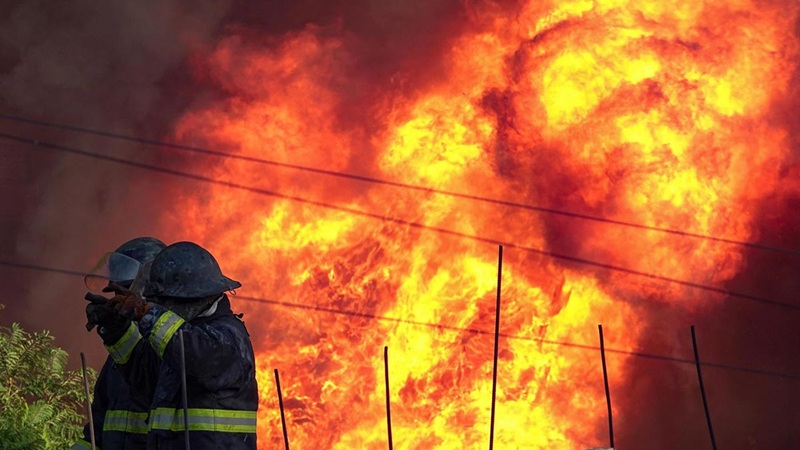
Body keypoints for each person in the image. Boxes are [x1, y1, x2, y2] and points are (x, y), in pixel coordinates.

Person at [106, 241, 258, 449]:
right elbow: (144, 378)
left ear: (194, 298)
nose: (163, 307)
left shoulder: (228, 336)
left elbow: (196, 357)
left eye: (167, 301)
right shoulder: (172, 339)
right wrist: (115, 329)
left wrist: (146, 314)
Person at [72, 236, 167, 450]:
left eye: (125, 292)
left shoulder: (173, 350)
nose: (118, 301)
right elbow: (96, 431)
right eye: (116, 292)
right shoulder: (119, 355)